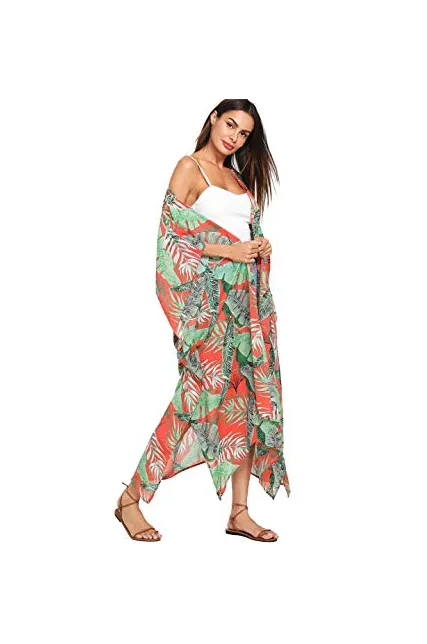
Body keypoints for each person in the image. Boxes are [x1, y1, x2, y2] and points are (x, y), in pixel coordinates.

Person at [115, 97, 291, 542]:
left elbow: (241, 233)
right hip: (209, 312)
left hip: (248, 311)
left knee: (246, 406)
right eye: (230, 125)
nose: (234, 137)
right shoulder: (189, 167)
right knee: (191, 402)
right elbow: (171, 241)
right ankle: (130, 499)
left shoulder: (237, 177)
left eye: (244, 133)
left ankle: (239, 513)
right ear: (213, 119)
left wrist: (259, 246)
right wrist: (232, 251)